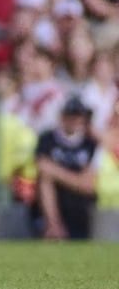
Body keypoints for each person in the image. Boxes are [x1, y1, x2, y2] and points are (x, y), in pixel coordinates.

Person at [32, 96, 98, 240]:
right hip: (52, 205)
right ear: (63, 117)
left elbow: (88, 185)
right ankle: (54, 226)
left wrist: (56, 171)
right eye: (71, 116)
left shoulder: (91, 144)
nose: (75, 121)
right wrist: (74, 178)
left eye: (79, 116)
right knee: (45, 181)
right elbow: (43, 170)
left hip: (80, 209)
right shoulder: (47, 139)